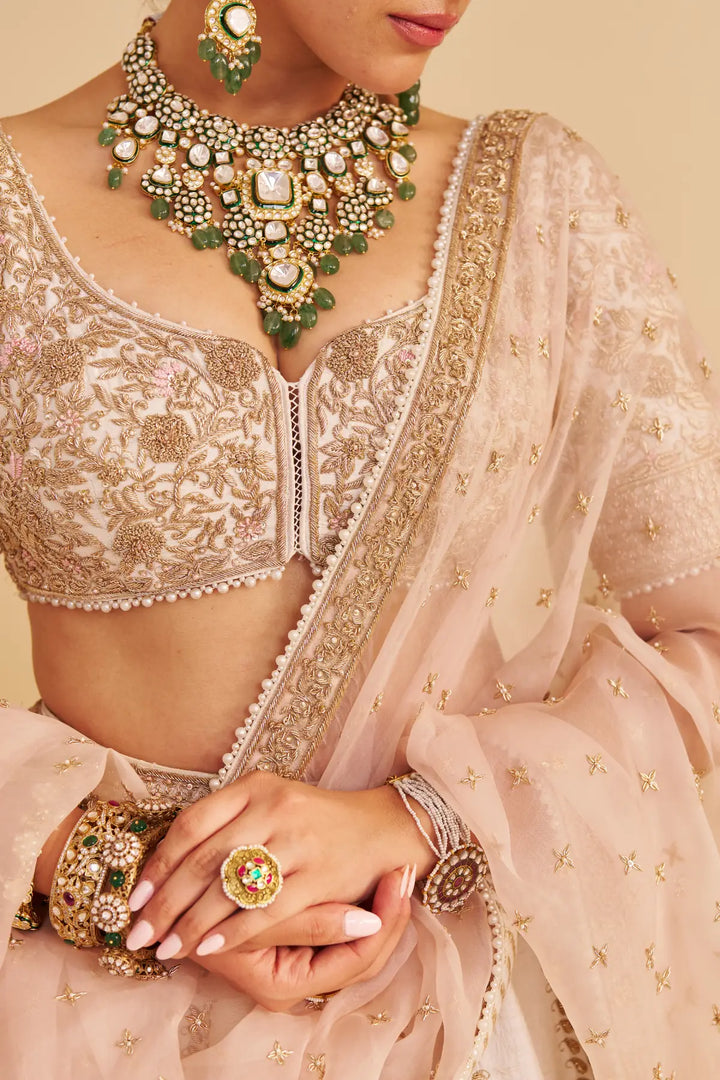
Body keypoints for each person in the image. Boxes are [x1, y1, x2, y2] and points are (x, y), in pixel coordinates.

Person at [0, 1, 718, 1076]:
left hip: (468, 1015)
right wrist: (133, 878)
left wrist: (418, 819)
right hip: (96, 1012)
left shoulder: (539, 201)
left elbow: (706, 634)